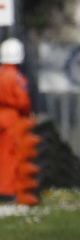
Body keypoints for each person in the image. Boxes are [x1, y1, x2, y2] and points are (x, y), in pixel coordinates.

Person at [0, 38, 32, 202]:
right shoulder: (16, 77)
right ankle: (7, 190)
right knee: (11, 155)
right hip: (11, 117)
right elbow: (23, 100)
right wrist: (27, 113)